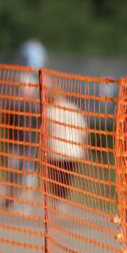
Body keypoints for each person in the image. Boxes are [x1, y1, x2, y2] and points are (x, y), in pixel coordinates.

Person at [43, 84, 88, 213]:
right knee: (66, 178)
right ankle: (60, 201)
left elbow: (46, 130)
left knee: (56, 177)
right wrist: (84, 148)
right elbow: (83, 130)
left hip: (56, 149)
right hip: (73, 151)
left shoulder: (50, 110)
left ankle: (57, 200)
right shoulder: (74, 109)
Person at [2, 70, 41, 212]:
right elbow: (6, 122)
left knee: (28, 174)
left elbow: (40, 125)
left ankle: (26, 202)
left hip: (30, 146)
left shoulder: (37, 107)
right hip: (15, 144)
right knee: (12, 171)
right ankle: (10, 196)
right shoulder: (13, 105)